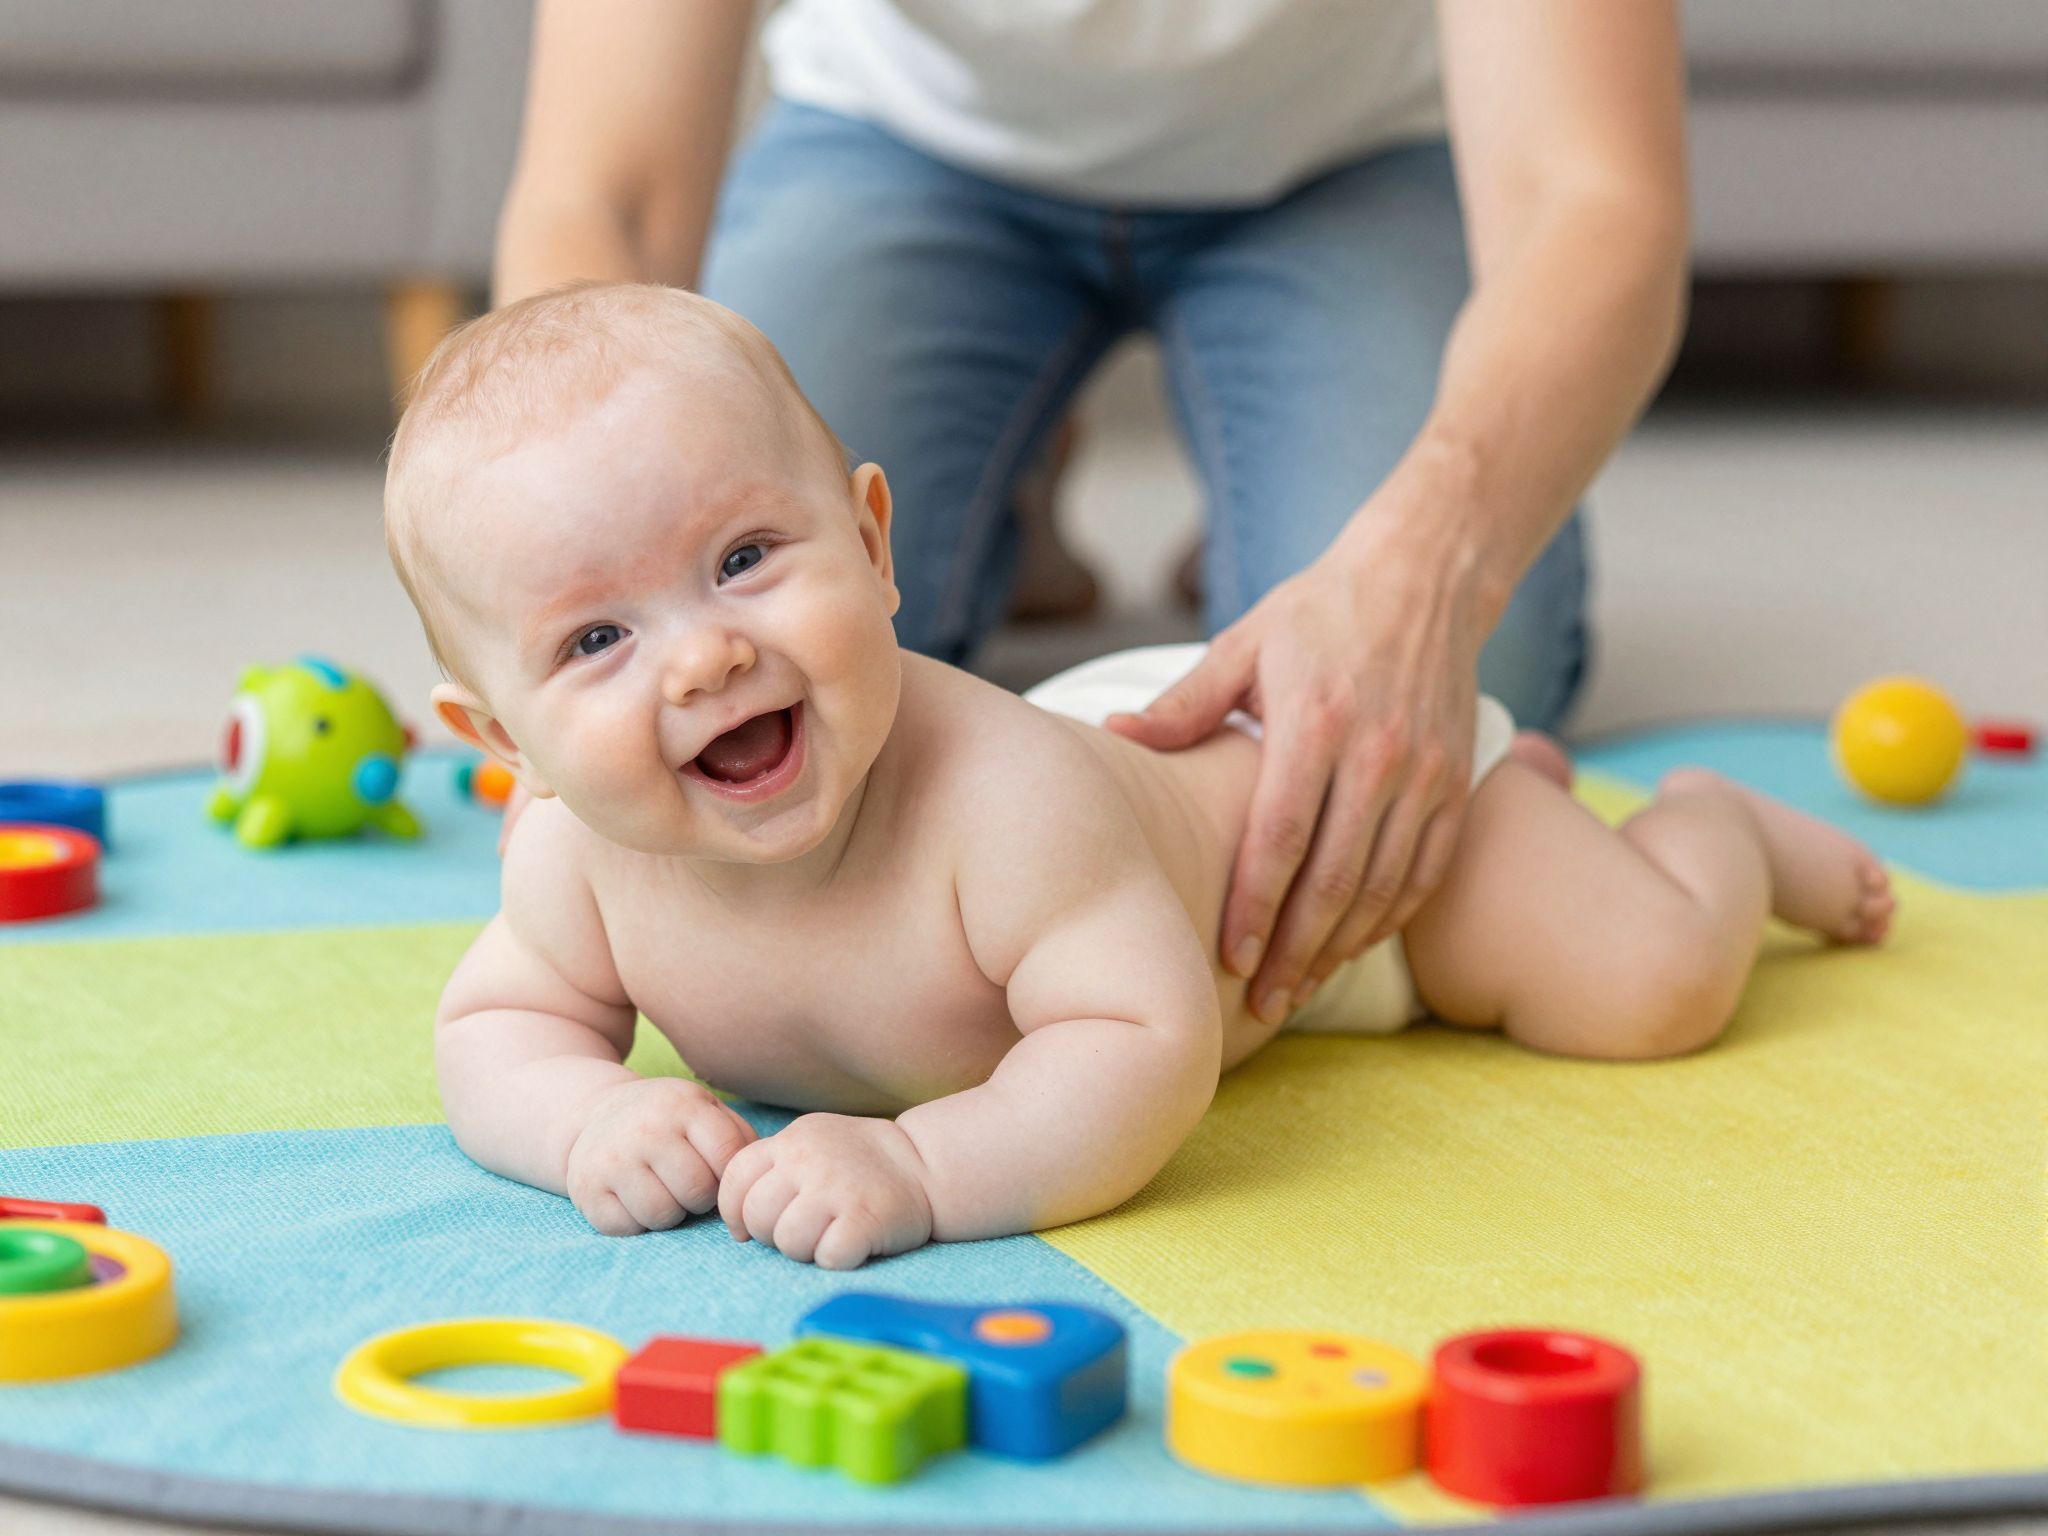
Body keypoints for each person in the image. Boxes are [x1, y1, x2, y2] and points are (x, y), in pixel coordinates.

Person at [386, 285, 1893, 1269]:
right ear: (504, 744)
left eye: (744, 560)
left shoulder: (1002, 808)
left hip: (1348, 868)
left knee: (1649, 986)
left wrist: (923, 1165)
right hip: (1149, 790)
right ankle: (1567, 800)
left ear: (873, 543)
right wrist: (581, 1117)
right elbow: (499, 1024)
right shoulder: (573, 859)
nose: (703, 659)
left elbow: (1149, 1046)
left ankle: (1714, 831)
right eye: (596, 637)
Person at [490, 0, 1691, 1032]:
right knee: (719, 532)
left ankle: (1216, 474)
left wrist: (1423, 568)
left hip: (1341, 155)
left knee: (1427, 727)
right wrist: (552, 612)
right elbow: (608, 190)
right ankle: (1020, 470)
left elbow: (1591, 196)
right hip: (907, 139)